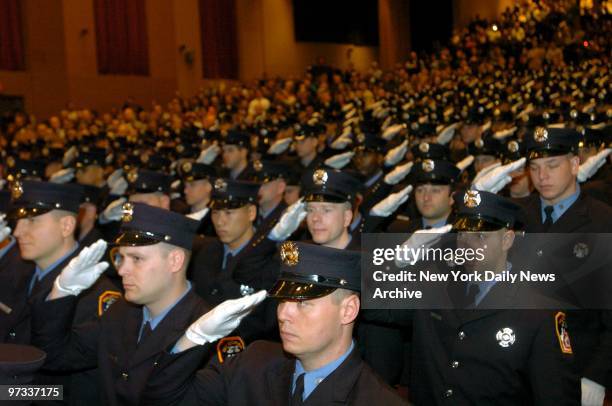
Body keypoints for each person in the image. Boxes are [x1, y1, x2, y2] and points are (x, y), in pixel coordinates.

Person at [30, 202, 262, 406]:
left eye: (137, 259)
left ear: (174, 261)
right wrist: (62, 291)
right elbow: (54, 356)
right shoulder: (122, 312)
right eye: (121, 257)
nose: (121, 270)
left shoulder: (208, 332)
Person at [148, 242, 407, 405]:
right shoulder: (252, 363)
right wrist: (194, 337)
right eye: (283, 300)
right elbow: (162, 398)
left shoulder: (375, 398)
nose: (283, 314)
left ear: (348, 310)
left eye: (303, 303)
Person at [520, 126, 612, 405]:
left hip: (576, 366)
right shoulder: (518, 217)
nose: (542, 176)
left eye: (552, 165)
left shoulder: (603, 222)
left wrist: (598, 374)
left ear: (574, 164)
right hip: (518, 365)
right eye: (534, 167)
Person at [9, 180, 118, 405]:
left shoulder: (95, 294)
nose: (18, 231)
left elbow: (67, 390)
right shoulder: (18, 272)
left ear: (66, 226)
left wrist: (7, 393)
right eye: (18, 220)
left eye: (31, 221)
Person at [190, 178, 279, 341]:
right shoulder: (206, 252)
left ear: (251, 213)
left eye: (229, 213)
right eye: (215, 212)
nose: (219, 221)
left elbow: (267, 326)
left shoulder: (269, 259)